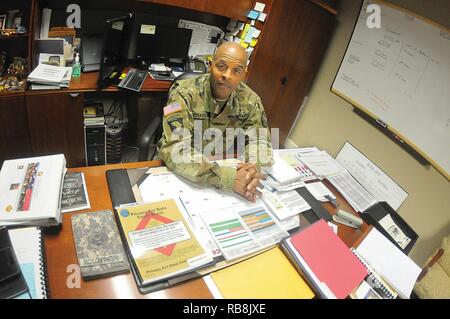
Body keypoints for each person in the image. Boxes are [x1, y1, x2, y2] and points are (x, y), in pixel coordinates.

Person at [157, 42, 273, 202]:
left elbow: (259, 140)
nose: (227, 75)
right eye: (221, 66)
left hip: (223, 162)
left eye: (236, 70)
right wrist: (228, 178)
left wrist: (251, 171)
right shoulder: (183, 94)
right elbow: (174, 148)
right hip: (184, 172)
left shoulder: (250, 100)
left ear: (243, 75)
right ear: (210, 65)